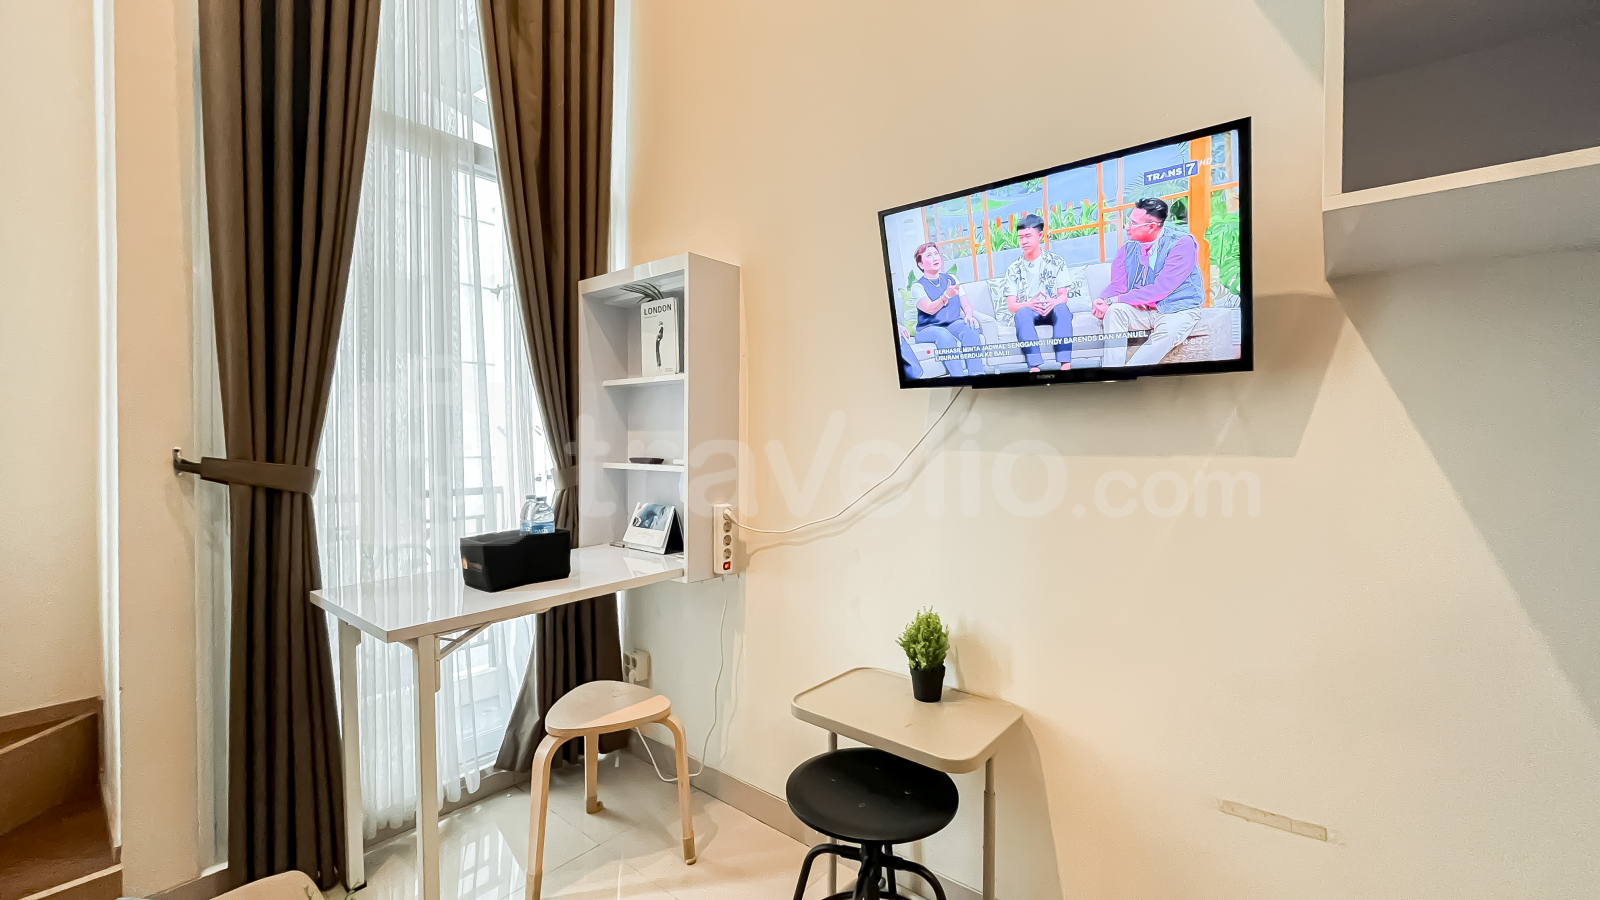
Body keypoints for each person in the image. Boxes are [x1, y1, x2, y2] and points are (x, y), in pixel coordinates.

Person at [1092, 198, 1205, 367]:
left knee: (1167, 333)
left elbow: (1161, 289)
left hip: (1177, 308)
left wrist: (1114, 300)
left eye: (1133, 223)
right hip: (1142, 309)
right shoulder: (1127, 249)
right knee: (1115, 311)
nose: (1127, 227)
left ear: (1151, 226)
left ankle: (1130, 372)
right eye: (1128, 221)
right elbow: (1118, 285)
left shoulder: (1182, 243)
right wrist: (1102, 299)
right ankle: (1112, 370)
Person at [1001, 214, 1074, 371]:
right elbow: (1011, 306)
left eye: (1028, 236)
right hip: (1028, 311)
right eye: (1020, 237)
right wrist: (1029, 304)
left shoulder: (1056, 261)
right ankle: (1034, 368)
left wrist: (1054, 302)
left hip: (1051, 309)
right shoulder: (1013, 269)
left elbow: (1063, 296)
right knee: (1022, 313)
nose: (1024, 241)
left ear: (1040, 236)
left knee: (1062, 309)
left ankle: (1065, 365)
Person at [908, 242, 987, 377]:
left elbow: (965, 303)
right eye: (929, 255)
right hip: (927, 328)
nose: (935, 258)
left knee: (969, 326)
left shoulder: (951, 278)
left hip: (951, 324)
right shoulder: (918, 286)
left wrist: (969, 315)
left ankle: (977, 375)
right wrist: (946, 295)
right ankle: (958, 378)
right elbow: (929, 309)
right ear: (921, 265)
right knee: (943, 335)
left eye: (936, 254)